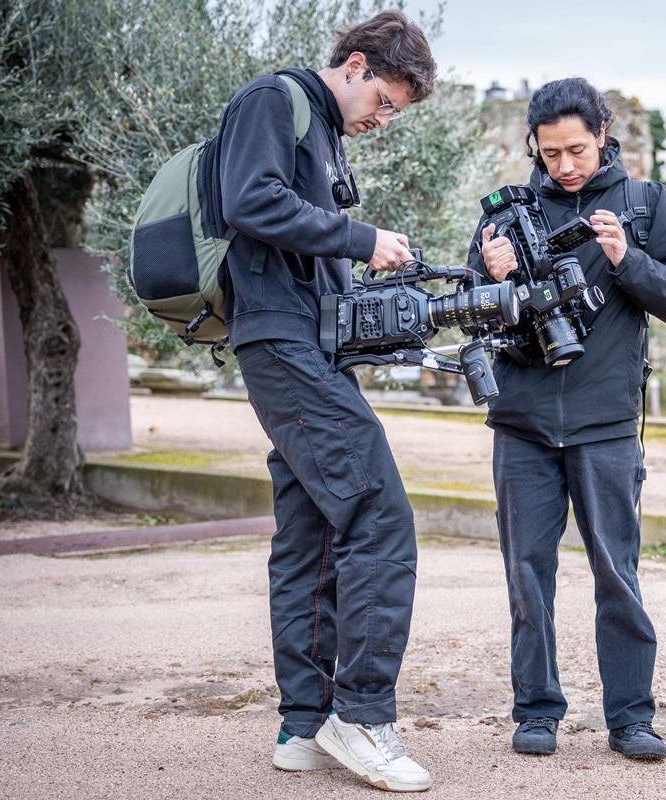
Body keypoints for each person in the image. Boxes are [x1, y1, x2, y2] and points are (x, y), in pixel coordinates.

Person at [218, 10, 436, 792]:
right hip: (278, 342)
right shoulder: (273, 101)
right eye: (383, 101)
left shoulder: (323, 134)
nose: (383, 120)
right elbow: (251, 202)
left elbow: (299, 239)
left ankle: (305, 728)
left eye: (395, 114)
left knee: (311, 530)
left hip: (306, 345)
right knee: (379, 512)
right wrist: (359, 236)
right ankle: (364, 716)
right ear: (353, 64)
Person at [467, 77, 666, 761]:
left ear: (602, 133)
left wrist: (625, 260)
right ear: (534, 151)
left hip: (606, 424)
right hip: (522, 423)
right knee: (527, 573)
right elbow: (470, 310)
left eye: (576, 149)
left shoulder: (644, 204)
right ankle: (536, 710)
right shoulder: (504, 216)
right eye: (550, 155)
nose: (565, 166)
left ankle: (631, 719)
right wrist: (492, 276)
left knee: (617, 573)